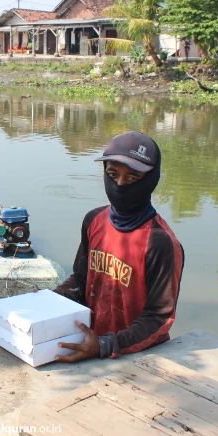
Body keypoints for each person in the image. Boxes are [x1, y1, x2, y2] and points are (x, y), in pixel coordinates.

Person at [51, 132, 184, 362]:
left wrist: (107, 344)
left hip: (139, 356)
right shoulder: (93, 220)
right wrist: (51, 299)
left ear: (151, 179)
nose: (120, 184)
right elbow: (82, 279)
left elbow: (158, 318)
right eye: (113, 174)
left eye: (132, 178)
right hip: (94, 345)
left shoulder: (161, 243)